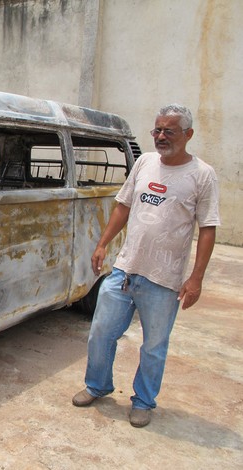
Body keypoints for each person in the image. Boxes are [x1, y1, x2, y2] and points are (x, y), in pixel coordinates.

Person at [72, 104, 220, 427]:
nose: (161, 136)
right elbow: (123, 207)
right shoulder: (144, 163)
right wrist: (102, 244)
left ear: (188, 134)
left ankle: (143, 401)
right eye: (157, 130)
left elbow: (208, 229)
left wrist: (196, 278)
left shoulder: (202, 175)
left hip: (164, 280)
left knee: (153, 346)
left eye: (169, 131)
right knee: (100, 332)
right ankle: (97, 385)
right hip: (125, 270)